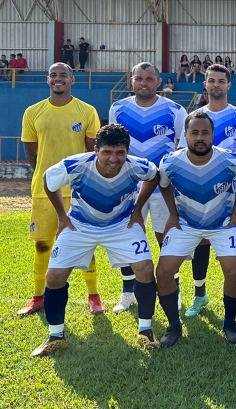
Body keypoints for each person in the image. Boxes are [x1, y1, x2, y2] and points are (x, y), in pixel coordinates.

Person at [29, 124, 161, 357]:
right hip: (79, 224)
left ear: (127, 151)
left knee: (145, 268)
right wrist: (62, 216)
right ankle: (55, 336)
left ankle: (146, 330)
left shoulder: (137, 166)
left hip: (122, 225)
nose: (114, 158)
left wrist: (138, 209)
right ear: (96, 150)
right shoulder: (75, 164)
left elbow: (154, 176)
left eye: (120, 152)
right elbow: (49, 180)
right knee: (54, 276)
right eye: (107, 152)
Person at [155, 112, 236, 347]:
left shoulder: (231, 159)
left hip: (223, 224)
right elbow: (164, 185)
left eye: (205, 133)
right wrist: (173, 214)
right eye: (194, 133)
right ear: (185, 135)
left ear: (213, 135)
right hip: (186, 224)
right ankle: (173, 326)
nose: (200, 137)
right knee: (164, 272)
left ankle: (230, 323)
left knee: (232, 271)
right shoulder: (170, 161)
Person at [19, 62, 103, 318]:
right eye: (53, 75)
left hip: (79, 190)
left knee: (83, 244)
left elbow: (92, 152)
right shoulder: (33, 112)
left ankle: (93, 296)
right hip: (44, 191)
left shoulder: (86, 111)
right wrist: (45, 176)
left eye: (63, 75)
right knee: (43, 245)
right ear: (48, 80)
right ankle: (37, 298)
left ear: (72, 80)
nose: (58, 79)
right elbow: (31, 149)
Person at [109, 62, 186, 314]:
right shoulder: (118, 109)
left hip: (163, 188)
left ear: (159, 82)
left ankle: (173, 291)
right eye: (139, 78)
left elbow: (181, 151)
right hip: (128, 189)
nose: (144, 82)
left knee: (167, 238)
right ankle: (128, 291)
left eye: (149, 78)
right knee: (127, 237)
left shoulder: (175, 110)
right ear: (131, 81)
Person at [178, 64, 236, 317]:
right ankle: (200, 295)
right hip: (197, 193)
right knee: (200, 242)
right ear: (205, 84)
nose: (217, 85)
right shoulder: (194, 116)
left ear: (228, 85)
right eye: (212, 80)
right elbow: (182, 155)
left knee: (233, 243)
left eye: (222, 81)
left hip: (229, 195)